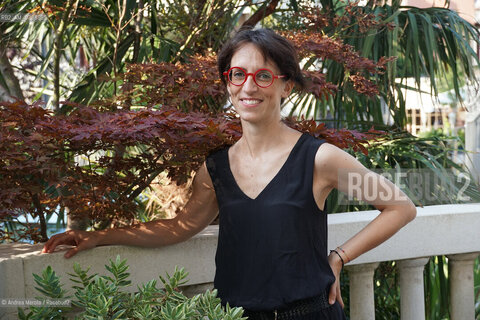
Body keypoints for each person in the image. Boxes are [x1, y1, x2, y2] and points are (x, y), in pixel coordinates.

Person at [42, 28, 417, 319]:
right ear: (227, 82)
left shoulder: (319, 159)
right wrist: (99, 237)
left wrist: (337, 257)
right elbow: (180, 226)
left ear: (286, 85)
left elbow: (400, 207)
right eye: (237, 74)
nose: (249, 86)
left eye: (263, 76)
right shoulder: (215, 168)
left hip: (310, 315)